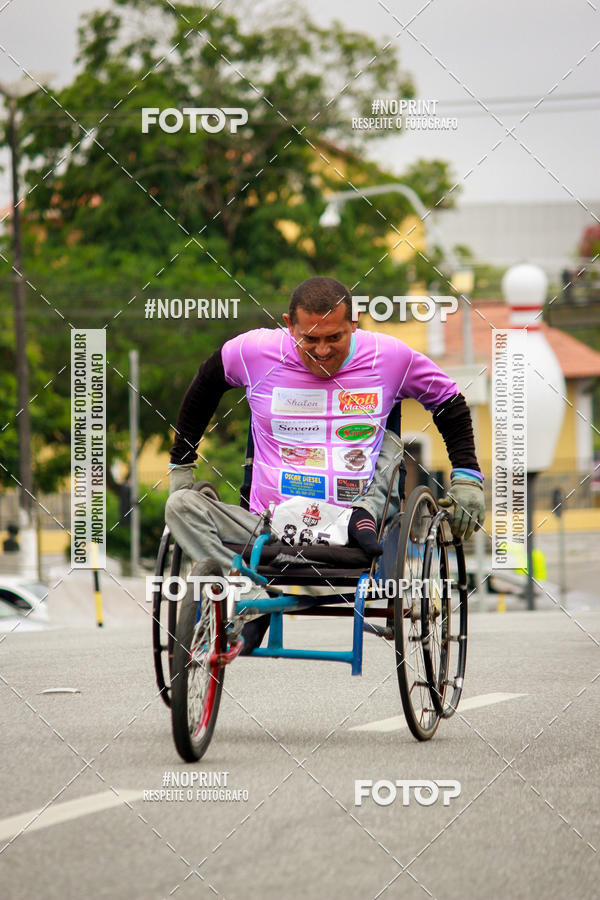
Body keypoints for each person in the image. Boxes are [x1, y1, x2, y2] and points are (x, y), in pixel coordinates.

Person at [165, 276, 485, 652]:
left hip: (353, 521)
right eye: (309, 339)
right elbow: (204, 386)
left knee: (375, 490)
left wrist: (467, 476)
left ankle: (249, 594)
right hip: (265, 524)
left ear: (355, 323)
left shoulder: (391, 357)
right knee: (180, 505)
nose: (321, 350)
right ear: (289, 325)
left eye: (334, 338)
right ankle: (246, 589)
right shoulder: (253, 351)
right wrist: (181, 467)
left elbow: (448, 400)